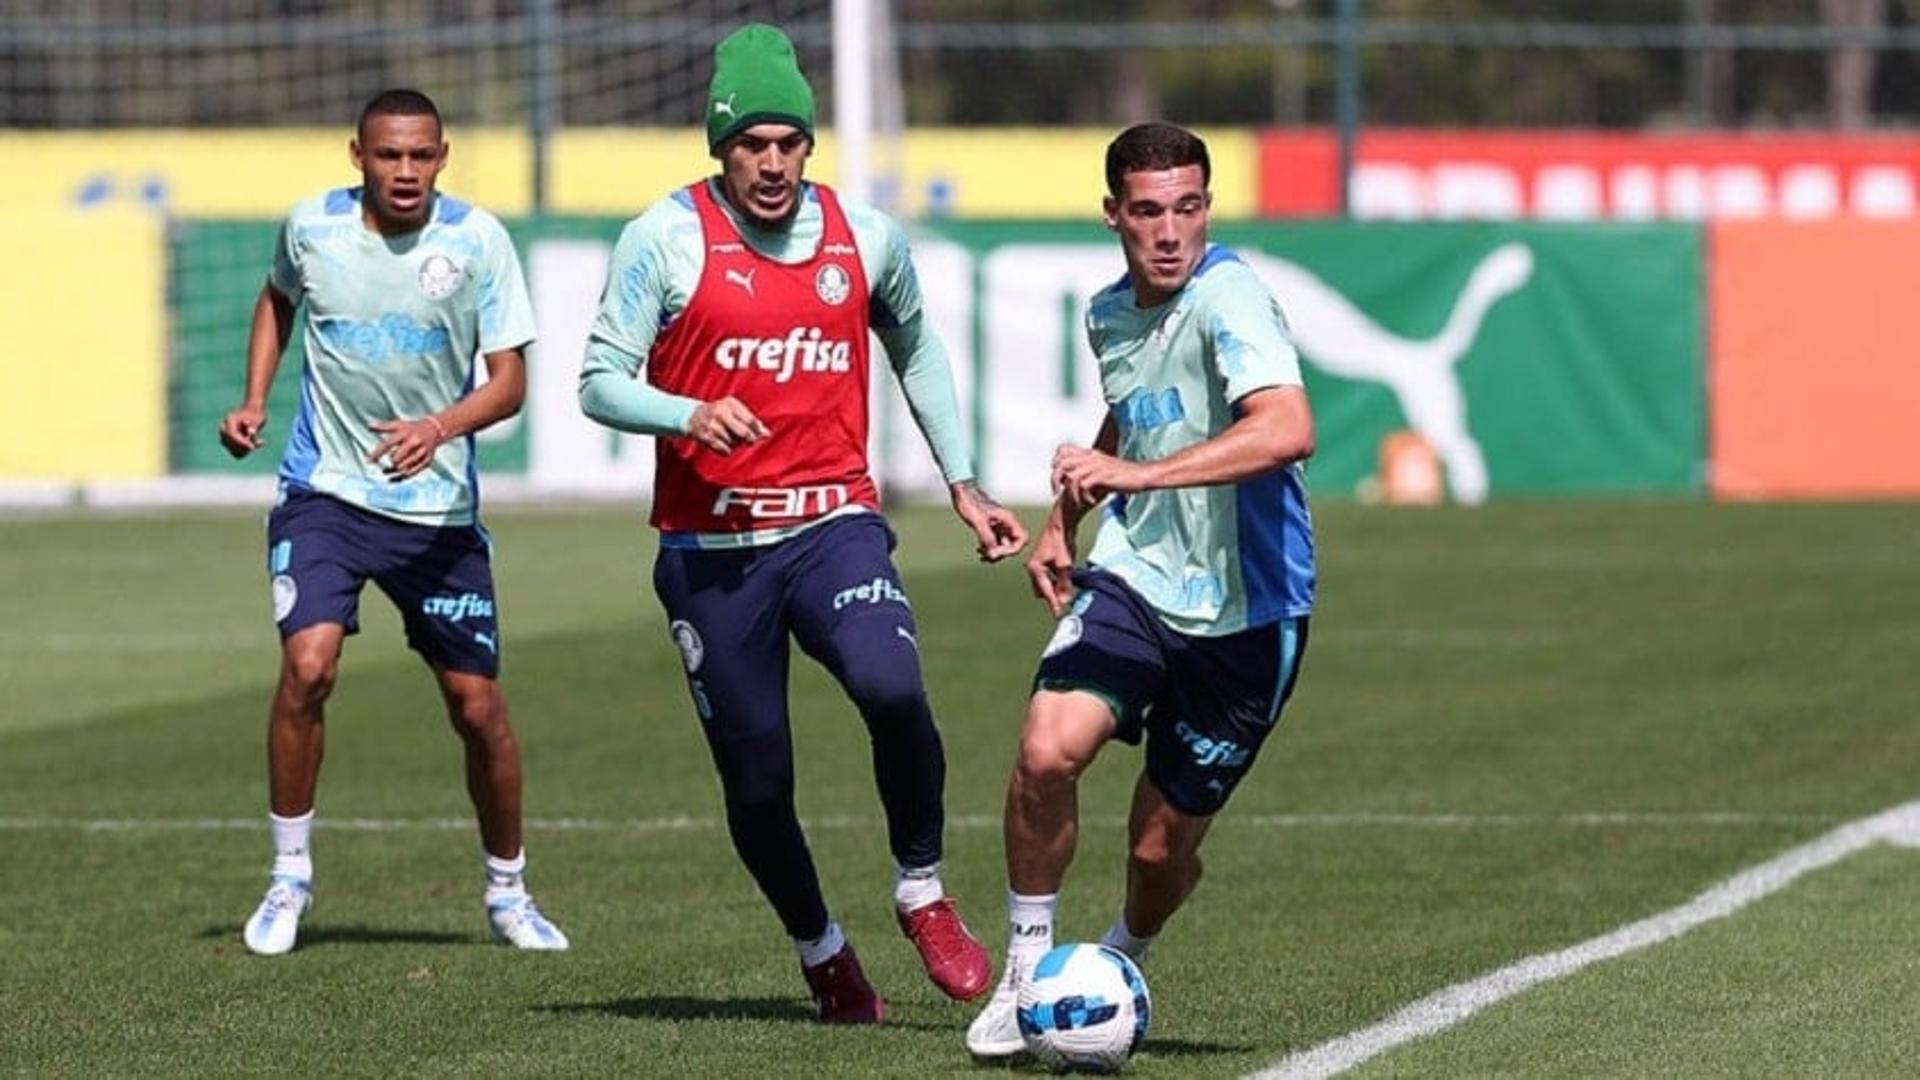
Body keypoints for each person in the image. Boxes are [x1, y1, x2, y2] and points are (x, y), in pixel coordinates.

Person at [578, 23, 1028, 1023]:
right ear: (720, 147)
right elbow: (598, 383)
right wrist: (685, 411)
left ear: (810, 146)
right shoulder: (666, 238)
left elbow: (915, 348)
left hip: (834, 525)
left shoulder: (863, 237)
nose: (772, 163)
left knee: (892, 684)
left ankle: (922, 889)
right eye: (752, 145)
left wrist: (964, 481)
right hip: (710, 554)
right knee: (758, 779)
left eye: (788, 143)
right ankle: (821, 950)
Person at [966, 122, 1317, 1056]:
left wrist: (1135, 482)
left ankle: (1123, 957)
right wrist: (1063, 521)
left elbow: (1286, 428)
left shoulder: (1230, 296)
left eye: (1190, 208)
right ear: (1114, 214)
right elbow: (1136, 415)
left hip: (1249, 614)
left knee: (1159, 850)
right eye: (1150, 212)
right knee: (1046, 752)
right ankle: (1027, 975)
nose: (1171, 232)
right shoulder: (1109, 313)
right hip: (1136, 582)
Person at [218, 88, 568, 956]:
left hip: (438, 511)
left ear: (442, 156)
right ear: (358, 156)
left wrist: (438, 428)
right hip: (326, 493)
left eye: (419, 156)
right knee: (308, 666)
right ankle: (288, 878)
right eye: (387, 156)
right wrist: (256, 398)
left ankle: (508, 890)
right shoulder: (312, 230)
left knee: (478, 709)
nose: (404, 172)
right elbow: (276, 299)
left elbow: (510, 381)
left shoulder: (478, 241)